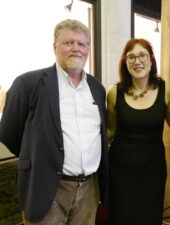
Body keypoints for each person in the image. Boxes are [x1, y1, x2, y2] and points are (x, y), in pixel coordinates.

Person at [0, 19, 108, 225]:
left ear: (88, 49)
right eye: (68, 43)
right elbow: (8, 133)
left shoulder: (96, 88)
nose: (76, 48)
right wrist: (37, 157)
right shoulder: (28, 83)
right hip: (47, 188)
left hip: (89, 190)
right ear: (55, 47)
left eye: (82, 44)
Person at [107, 38, 170, 225]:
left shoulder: (166, 90)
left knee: (150, 215)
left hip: (152, 168)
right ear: (125, 62)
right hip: (120, 168)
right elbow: (110, 131)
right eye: (131, 57)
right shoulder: (114, 92)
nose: (137, 62)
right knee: (121, 216)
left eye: (142, 55)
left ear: (151, 59)